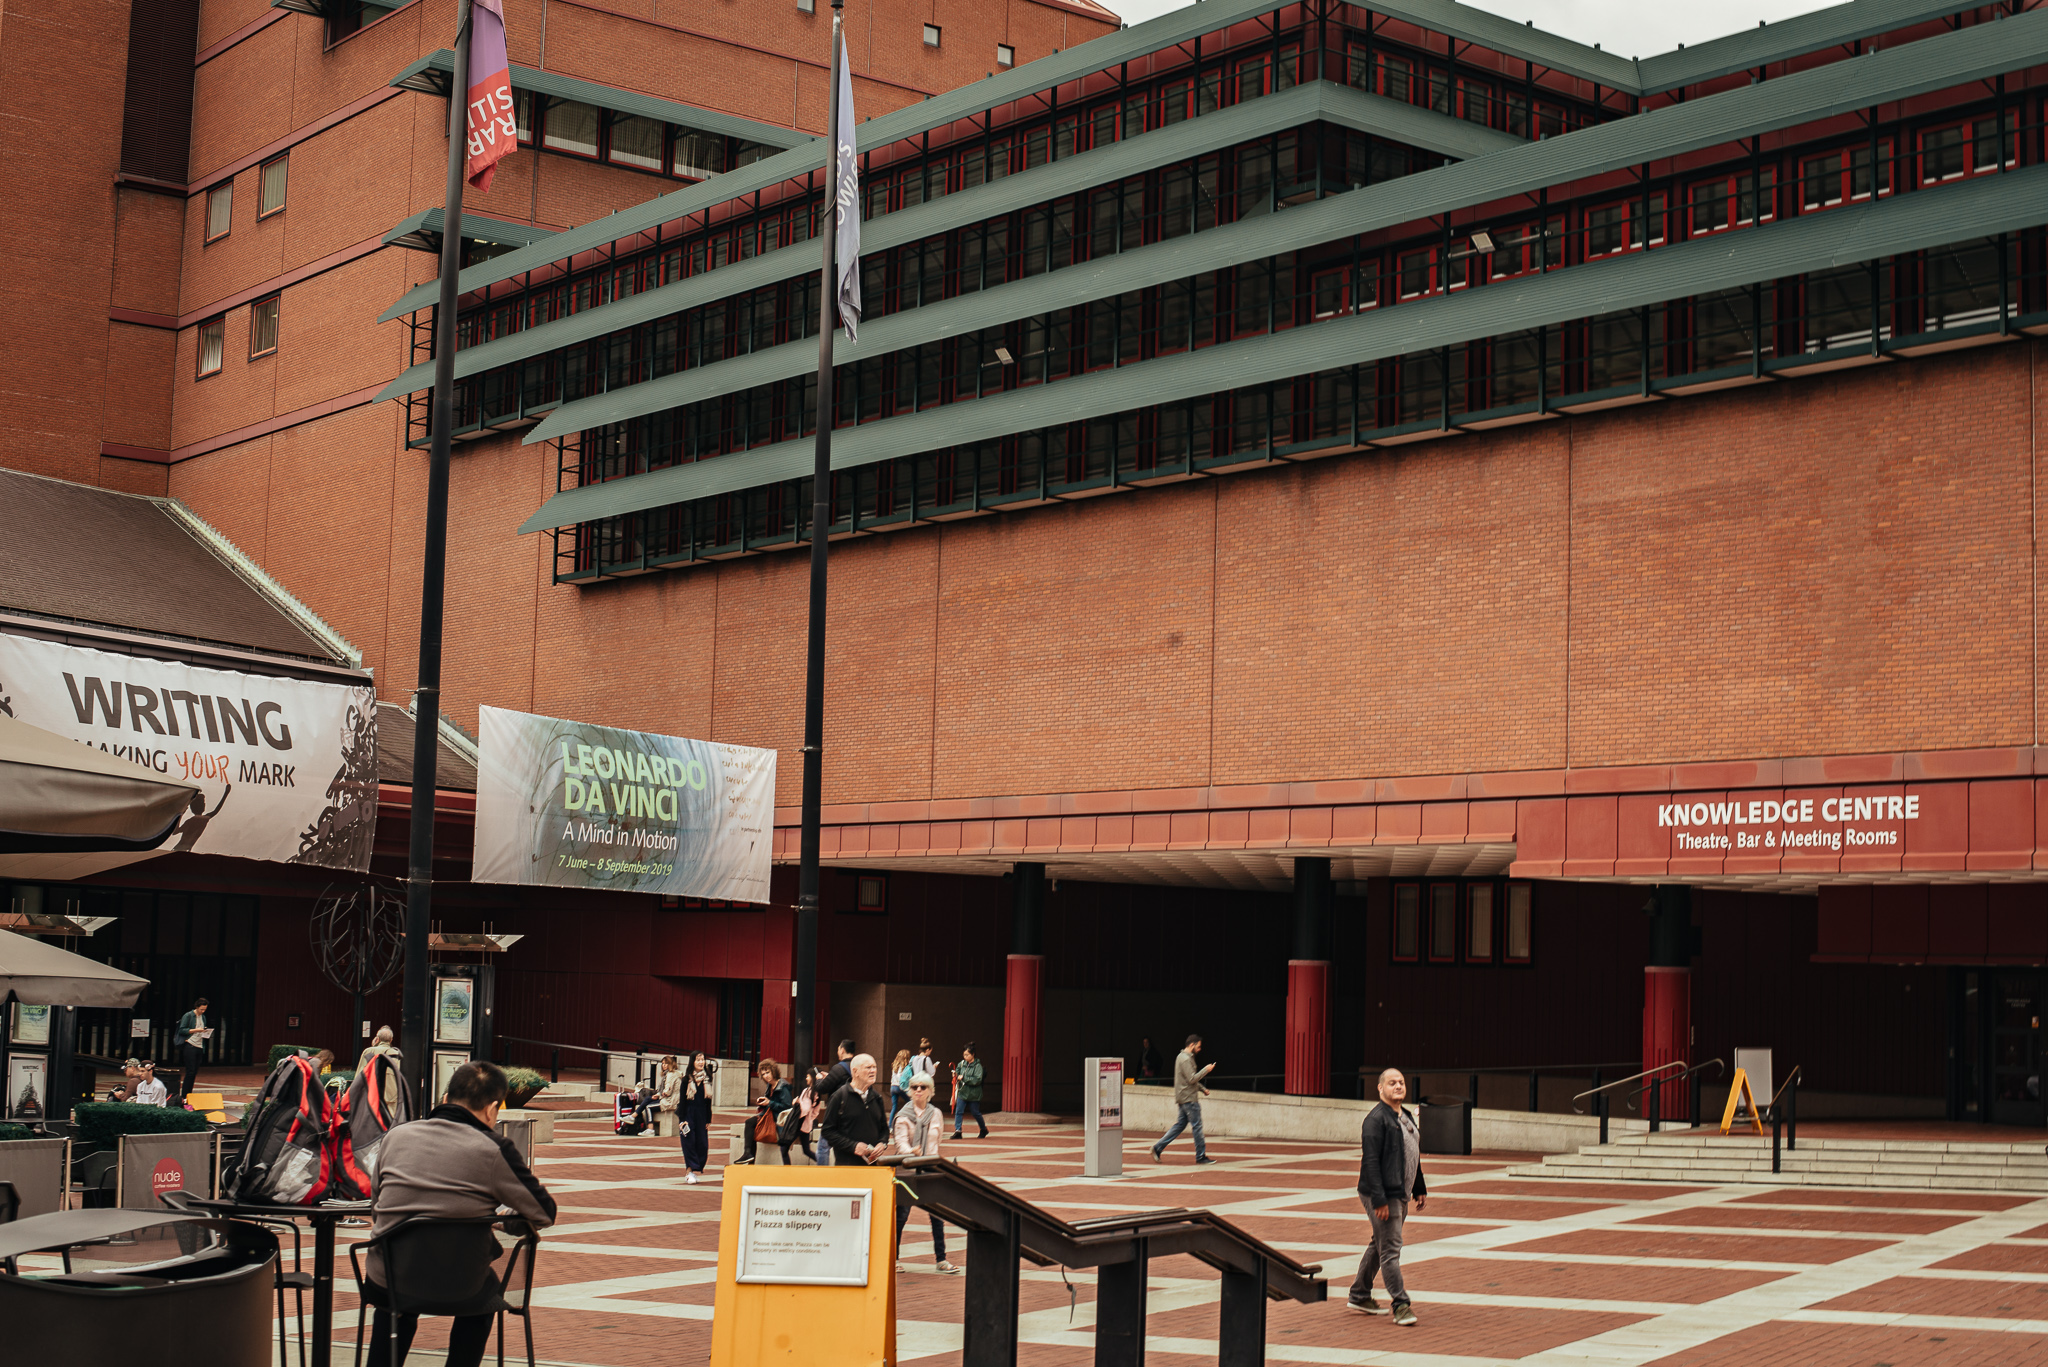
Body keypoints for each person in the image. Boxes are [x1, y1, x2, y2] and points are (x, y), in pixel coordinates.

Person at [363, 1060, 556, 1367]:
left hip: (388, 1276)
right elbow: (544, 1213)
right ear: (493, 1110)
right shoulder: (494, 1148)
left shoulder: (396, 1136)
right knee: (485, 1301)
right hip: (460, 1285)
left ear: (445, 1099)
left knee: (396, 1304)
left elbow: (377, 1205)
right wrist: (502, 1216)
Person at [1347, 1067, 1426, 1326]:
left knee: (1379, 1243)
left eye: (1401, 1082)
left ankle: (1359, 1294)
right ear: (1380, 1088)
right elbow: (1370, 1162)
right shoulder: (1375, 1120)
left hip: (1400, 1192)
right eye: (1392, 1083)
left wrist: (1419, 1187)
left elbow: (1412, 1153)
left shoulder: (1404, 1116)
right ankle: (1401, 1304)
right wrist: (1379, 1200)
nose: (1398, 1086)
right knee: (1390, 1249)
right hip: (1381, 1193)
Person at [892, 1072, 960, 1274]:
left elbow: (936, 1142)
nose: (919, 1090)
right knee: (901, 1217)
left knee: (937, 1215)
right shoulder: (903, 1116)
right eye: (914, 1087)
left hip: (930, 1166)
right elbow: (900, 1142)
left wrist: (929, 1157)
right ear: (910, 1091)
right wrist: (910, 1152)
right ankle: (893, 1258)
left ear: (930, 1091)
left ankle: (941, 1259)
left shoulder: (936, 1113)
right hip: (908, 1169)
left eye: (923, 1087)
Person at [1151, 1033, 1216, 1165]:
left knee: (1180, 1125)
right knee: (1197, 1126)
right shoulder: (1186, 1059)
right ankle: (1200, 1156)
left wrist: (1202, 1089)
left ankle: (1158, 1148)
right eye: (1198, 1046)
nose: (1199, 1049)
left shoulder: (1181, 1057)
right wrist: (1206, 1070)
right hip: (1189, 1099)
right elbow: (1192, 1079)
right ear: (1192, 1044)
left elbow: (1188, 1080)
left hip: (1183, 1097)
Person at [820, 1053, 889, 1166]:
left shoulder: (877, 1098)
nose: (873, 1071)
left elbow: (884, 1130)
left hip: (872, 1168)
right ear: (855, 1071)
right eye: (868, 1067)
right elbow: (827, 1131)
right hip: (847, 1168)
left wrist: (882, 1143)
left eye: (874, 1067)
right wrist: (853, 1146)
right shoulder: (839, 1097)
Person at [738, 1059, 795, 1165]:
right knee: (750, 1124)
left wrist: (769, 1102)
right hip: (769, 1116)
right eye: (763, 1074)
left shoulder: (783, 1087)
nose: (766, 1076)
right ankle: (748, 1155)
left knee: (784, 1150)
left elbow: (787, 1107)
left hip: (779, 1121)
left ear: (773, 1071)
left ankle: (749, 1155)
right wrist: (763, 1103)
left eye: (767, 1072)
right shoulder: (770, 1086)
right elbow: (771, 1103)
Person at [814, 1040, 855, 1164]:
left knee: (822, 1147)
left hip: (837, 1113)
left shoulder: (839, 1068)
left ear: (842, 1050)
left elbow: (822, 1088)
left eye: (838, 1049)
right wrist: (830, 1076)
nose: (838, 1052)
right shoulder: (857, 1066)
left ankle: (823, 1177)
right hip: (853, 1112)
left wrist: (819, 1079)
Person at [679, 1052, 715, 1183]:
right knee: (689, 1142)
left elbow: (708, 1101)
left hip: (701, 1114)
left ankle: (696, 1168)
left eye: (703, 1059)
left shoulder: (707, 1079)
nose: (701, 1062)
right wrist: (682, 1119)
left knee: (702, 1144)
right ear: (692, 1062)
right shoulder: (686, 1079)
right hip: (688, 1113)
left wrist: (708, 1119)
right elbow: (682, 1100)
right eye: (698, 1060)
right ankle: (689, 1171)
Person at [949, 1042, 988, 1140]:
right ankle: (958, 1130)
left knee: (975, 1112)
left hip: (973, 1094)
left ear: (973, 1054)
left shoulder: (977, 1066)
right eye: (964, 1055)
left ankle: (983, 1129)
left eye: (967, 1055)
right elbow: (957, 1071)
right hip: (963, 1092)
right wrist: (955, 1074)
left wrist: (964, 1078)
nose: (965, 1057)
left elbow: (977, 1080)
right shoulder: (962, 1064)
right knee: (959, 1111)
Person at [175, 998, 210, 1101]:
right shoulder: (189, 1015)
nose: (203, 1011)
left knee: (194, 1071)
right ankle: (185, 1095)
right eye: (201, 1009)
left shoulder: (203, 1017)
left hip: (199, 1045)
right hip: (190, 1044)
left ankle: (189, 1093)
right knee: (190, 1071)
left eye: (205, 1009)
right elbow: (182, 1030)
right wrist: (197, 1030)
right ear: (197, 1007)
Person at [791, 1066, 826, 1163]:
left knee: (784, 1147)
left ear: (812, 1077)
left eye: (808, 1076)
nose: (806, 1078)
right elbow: (816, 1112)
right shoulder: (816, 1093)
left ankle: (787, 1169)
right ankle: (822, 1163)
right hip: (805, 1125)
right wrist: (810, 1119)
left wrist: (797, 1102)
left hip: (799, 1123)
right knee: (806, 1150)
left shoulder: (809, 1091)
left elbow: (805, 1109)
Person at [654, 1055, 682, 1139]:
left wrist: (661, 1094)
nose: (664, 1065)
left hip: (670, 1101)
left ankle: (650, 1128)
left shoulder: (670, 1075)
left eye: (666, 1064)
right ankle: (634, 1116)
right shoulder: (669, 1074)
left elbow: (667, 1091)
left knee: (647, 1106)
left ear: (671, 1064)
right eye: (662, 1064)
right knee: (648, 1100)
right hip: (670, 1099)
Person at [887, 1048, 914, 1120]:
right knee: (911, 1103)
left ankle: (890, 1126)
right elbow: (900, 1077)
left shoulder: (895, 1065)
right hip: (900, 1087)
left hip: (893, 1087)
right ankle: (908, 1118)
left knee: (894, 1107)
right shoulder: (905, 1067)